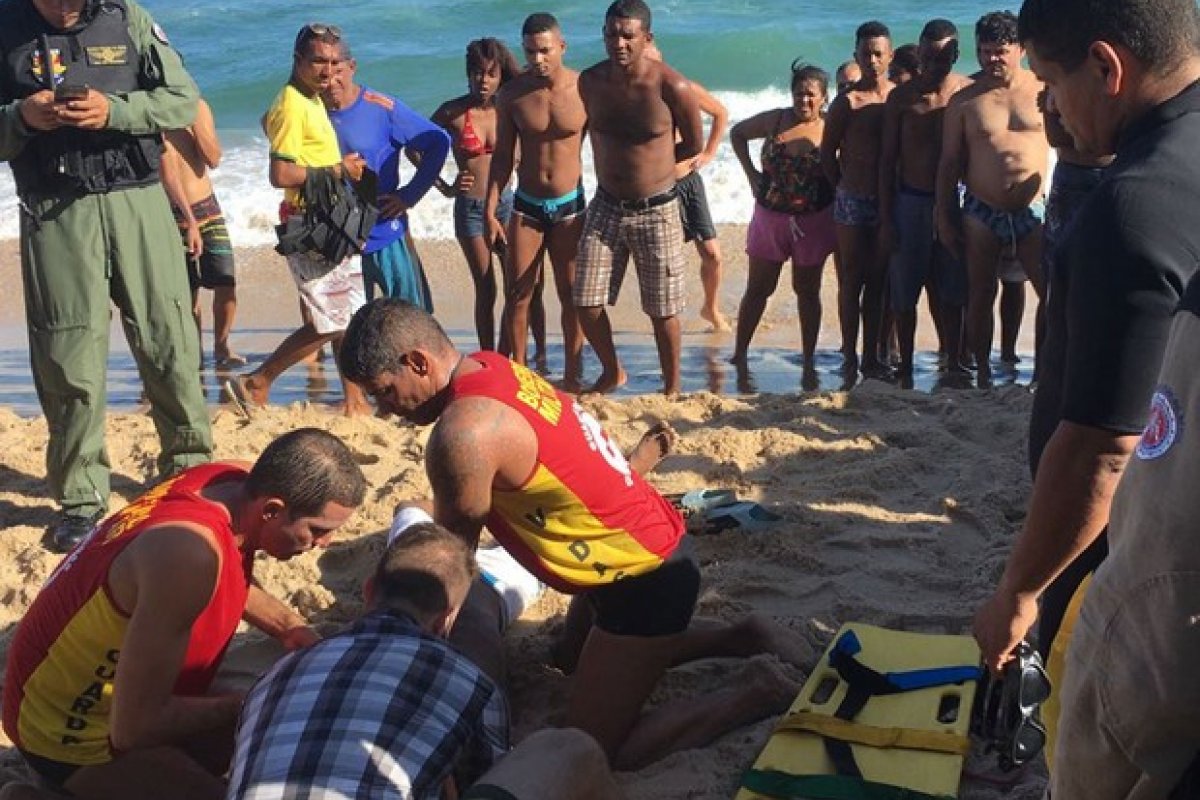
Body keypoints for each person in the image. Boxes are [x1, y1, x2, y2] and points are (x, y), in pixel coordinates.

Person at [338, 299, 810, 770]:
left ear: (417, 362)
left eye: (384, 392)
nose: (384, 411)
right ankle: (743, 635)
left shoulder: (463, 435)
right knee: (568, 660)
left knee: (592, 751)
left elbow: (451, 570)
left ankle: (755, 693)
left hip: (643, 576)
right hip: (619, 550)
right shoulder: (491, 364)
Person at [972, 0, 1200, 738]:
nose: (1048, 108)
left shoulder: (1133, 205)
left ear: (1107, 67)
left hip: (1139, 549)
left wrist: (1020, 590)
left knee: (1097, 732)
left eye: (1051, 81)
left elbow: (1105, 449)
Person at [0, 428, 366, 800]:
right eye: (317, 531)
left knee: (268, 726)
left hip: (59, 691)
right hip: (66, 736)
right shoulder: (187, 556)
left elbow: (231, 572)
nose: (324, 544)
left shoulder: (230, 480)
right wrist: (245, 703)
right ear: (271, 509)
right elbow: (134, 729)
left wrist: (291, 629)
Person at [0, 0, 214, 552]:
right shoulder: (5, 25)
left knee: (168, 337)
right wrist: (21, 118)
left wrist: (113, 111)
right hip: (56, 208)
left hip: (137, 200)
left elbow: (181, 100)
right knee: (67, 356)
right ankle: (80, 498)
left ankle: (187, 466)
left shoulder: (129, 18)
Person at [225, 23, 371, 416]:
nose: (326, 71)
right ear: (298, 61)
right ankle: (259, 380)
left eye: (332, 62)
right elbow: (281, 174)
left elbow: (266, 120)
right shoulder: (294, 103)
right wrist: (338, 170)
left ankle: (355, 401)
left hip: (330, 217)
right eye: (317, 62)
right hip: (311, 223)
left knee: (346, 314)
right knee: (330, 322)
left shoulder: (305, 98)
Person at [574, 0, 703, 396]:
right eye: (611, 33)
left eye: (627, 35)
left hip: (657, 208)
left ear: (647, 38)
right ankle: (613, 370)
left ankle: (673, 388)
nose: (618, 42)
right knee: (585, 300)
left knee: (663, 311)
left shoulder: (672, 86)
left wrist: (655, 171)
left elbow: (693, 144)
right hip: (606, 204)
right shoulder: (590, 81)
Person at [936, 11, 1049, 388]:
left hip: (1034, 208)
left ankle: (1045, 371)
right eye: (985, 52)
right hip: (982, 210)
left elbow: (1073, 140)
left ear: (1020, 50)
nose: (992, 59)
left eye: (1000, 51)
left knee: (1048, 290)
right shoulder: (965, 101)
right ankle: (981, 372)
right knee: (981, 293)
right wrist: (944, 215)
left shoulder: (1042, 88)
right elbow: (950, 162)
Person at [488, 13, 588, 391]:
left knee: (570, 293)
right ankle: (521, 373)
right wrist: (489, 207)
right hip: (526, 206)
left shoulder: (584, 89)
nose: (537, 59)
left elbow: (610, 142)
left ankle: (572, 374)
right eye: (530, 52)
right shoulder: (513, 95)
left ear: (561, 46)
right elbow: (502, 157)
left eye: (544, 50)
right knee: (519, 293)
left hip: (570, 205)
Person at [729, 63, 837, 389]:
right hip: (770, 218)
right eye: (798, 93)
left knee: (807, 292)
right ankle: (739, 352)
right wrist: (751, 175)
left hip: (814, 222)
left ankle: (808, 357)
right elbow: (737, 134)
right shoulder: (775, 119)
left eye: (810, 95)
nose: (803, 100)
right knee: (759, 289)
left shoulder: (832, 127)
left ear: (823, 98)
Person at [878, 20, 973, 384]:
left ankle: (952, 360)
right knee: (905, 288)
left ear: (955, 56)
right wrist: (886, 219)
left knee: (952, 288)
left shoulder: (965, 92)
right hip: (911, 201)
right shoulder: (902, 98)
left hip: (955, 201)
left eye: (944, 58)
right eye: (929, 57)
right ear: (918, 53)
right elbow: (887, 161)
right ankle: (904, 365)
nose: (935, 66)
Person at [324, 43, 450, 308]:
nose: (330, 77)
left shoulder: (381, 107)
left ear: (352, 67)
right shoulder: (309, 111)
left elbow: (438, 141)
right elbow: (273, 128)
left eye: (338, 67)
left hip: (385, 231)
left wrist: (409, 195)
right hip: (337, 236)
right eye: (322, 69)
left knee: (411, 318)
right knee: (347, 329)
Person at [433, 39, 530, 356]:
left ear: (501, 74)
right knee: (486, 287)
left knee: (517, 286)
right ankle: (489, 356)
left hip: (508, 204)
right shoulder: (453, 112)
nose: (483, 80)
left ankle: (513, 353)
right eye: (476, 73)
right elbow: (415, 146)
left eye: (490, 73)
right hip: (470, 209)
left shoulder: (511, 107)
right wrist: (446, 186)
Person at [821, 21, 895, 381]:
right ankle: (849, 354)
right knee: (852, 280)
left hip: (887, 201)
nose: (872, 60)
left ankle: (873, 356)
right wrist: (843, 188)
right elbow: (826, 154)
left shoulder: (898, 97)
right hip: (852, 200)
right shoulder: (846, 102)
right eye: (866, 53)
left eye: (878, 53)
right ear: (856, 55)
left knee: (879, 281)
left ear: (890, 55)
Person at [646, 41, 730, 333]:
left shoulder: (683, 89)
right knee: (666, 263)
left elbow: (720, 113)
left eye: (655, 63)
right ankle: (666, 319)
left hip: (689, 182)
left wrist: (708, 153)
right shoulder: (635, 96)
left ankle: (711, 307)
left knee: (712, 254)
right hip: (658, 188)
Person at [161, 98, 244, 370]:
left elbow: (214, 159)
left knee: (226, 283)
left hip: (207, 207)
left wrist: (195, 125)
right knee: (187, 293)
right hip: (171, 214)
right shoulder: (153, 112)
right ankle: (193, 354)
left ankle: (221, 346)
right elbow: (168, 174)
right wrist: (188, 219)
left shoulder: (197, 107)